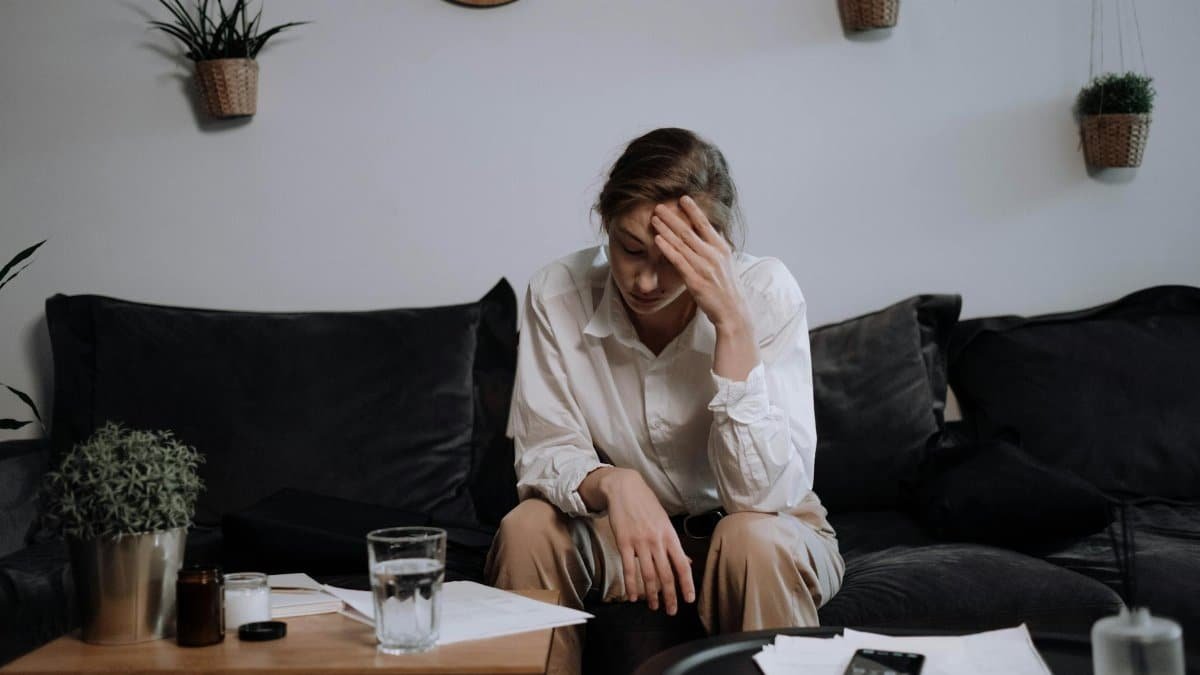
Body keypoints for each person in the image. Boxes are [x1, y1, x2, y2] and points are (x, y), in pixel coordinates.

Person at [485, 127, 844, 674]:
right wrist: (615, 483)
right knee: (527, 527)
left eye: (674, 259)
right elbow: (543, 451)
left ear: (716, 245)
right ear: (605, 221)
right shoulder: (556, 293)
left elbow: (763, 497)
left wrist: (731, 325)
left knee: (752, 537)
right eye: (630, 249)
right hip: (618, 535)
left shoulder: (766, 292)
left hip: (758, 527)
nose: (646, 280)